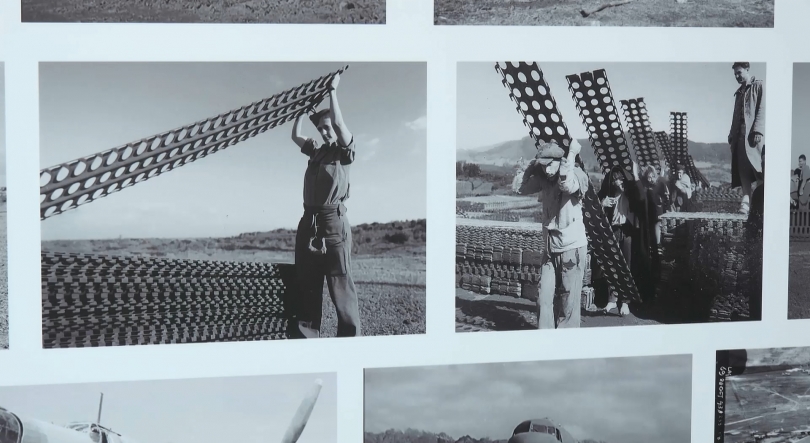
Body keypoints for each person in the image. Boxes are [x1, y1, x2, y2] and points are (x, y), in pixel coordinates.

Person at [289, 73, 361, 338]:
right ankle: (307, 341)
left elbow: (341, 126)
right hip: (309, 221)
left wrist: (333, 92)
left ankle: (349, 343)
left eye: (327, 127)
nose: (324, 131)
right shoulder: (317, 151)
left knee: (340, 284)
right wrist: (299, 112)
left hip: (333, 223)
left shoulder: (344, 151)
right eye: (321, 128)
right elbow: (295, 135)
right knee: (307, 284)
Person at [513, 138, 589, 329]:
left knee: (567, 304)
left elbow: (566, 185)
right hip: (550, 249)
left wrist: (570, 155)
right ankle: (545, 340)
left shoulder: (577, 174)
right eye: (543, 166)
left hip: (571, 249)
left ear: (560, 162)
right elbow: (519, 188)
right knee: (543, 298)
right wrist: (531, 167)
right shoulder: (544, 179)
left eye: (550, 165)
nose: (547, 170)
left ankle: (565, 347)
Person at [596, 163, 659, 315]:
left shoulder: (631, 194)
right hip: (613, 231)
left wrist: (636, 176)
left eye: (623, 179)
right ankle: (612, 300)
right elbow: (594, 210)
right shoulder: (609, 196)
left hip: (628, 232)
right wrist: (602, 204)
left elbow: (642, 197)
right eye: (618, 179)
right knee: (612, 266)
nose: (622, 182)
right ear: (612, 182)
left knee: (627, 267)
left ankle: (625, 302)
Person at [728, 62, 765, 216]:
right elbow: (735, 116)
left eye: (739, 72)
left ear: (747, 69)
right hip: (739, 136)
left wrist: (758, 130)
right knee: (743, 169)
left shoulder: (758, 86)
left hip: (753, 137)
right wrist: (731, 135)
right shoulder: (739, 93)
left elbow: (762, 109)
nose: (737, 76)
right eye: (735, 74)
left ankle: (762, 199)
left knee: (758, 168)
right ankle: (746, 200)